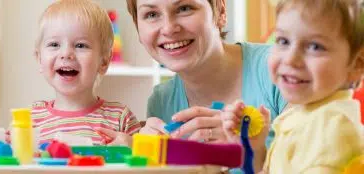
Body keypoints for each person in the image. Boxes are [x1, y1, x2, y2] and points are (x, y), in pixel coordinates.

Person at [122, 0, 287, 171]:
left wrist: (252, 156)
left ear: (221, 11)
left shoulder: (283, 70)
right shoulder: (161, 102)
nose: (169, 28)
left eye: (184, 8)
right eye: (152, 14)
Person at [222, 0, 364, 173]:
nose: (290, 59)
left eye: (315, 46)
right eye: (283, 41)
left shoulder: (330, 131)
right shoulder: (306, 114)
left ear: (356, 65)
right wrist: (254, 151)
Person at [30, 0, 140, 146]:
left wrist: (132, 146)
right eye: (54, 44)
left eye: (80, 45)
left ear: (104, 62)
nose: (66, 54)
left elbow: (145, 162)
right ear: (39, 59)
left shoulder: (120, 118)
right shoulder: (31, 120)